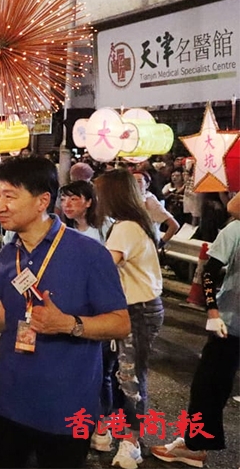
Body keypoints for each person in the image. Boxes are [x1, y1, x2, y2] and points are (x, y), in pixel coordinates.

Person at [0, 156, 129, 468]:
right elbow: (1, 318)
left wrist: (69, 324)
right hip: (6, 403)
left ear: (42, 201)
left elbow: (120, 323)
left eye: (9, 196)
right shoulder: (9, 255)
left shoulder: (89, 254)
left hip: (65, 409)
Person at [151, 213, 239, 468]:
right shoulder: (235, 229)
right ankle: (194, 445)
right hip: (229, 324)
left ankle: (195, 446)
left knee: (209, 387)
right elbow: (210, 272)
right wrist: (212, 309)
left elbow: (208, 273)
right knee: (210, 387)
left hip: (230, 323)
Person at [92, 169, 165, 469]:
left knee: (131, 377)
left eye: (99, 193)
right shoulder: (135, 224)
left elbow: (105, 268)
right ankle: (123, 436)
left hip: (138, 310)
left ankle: (131, 442)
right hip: (140, 307)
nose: (98, 200)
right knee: (124, 375)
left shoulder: (125, 228)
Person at [132, 170, 179, 249]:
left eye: (139, 181)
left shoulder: (150, 201)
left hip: (146, 248)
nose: (135, 184)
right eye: (132, 181)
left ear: (147, 185)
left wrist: (160, 243)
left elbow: (174, 225)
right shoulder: (132, 200)